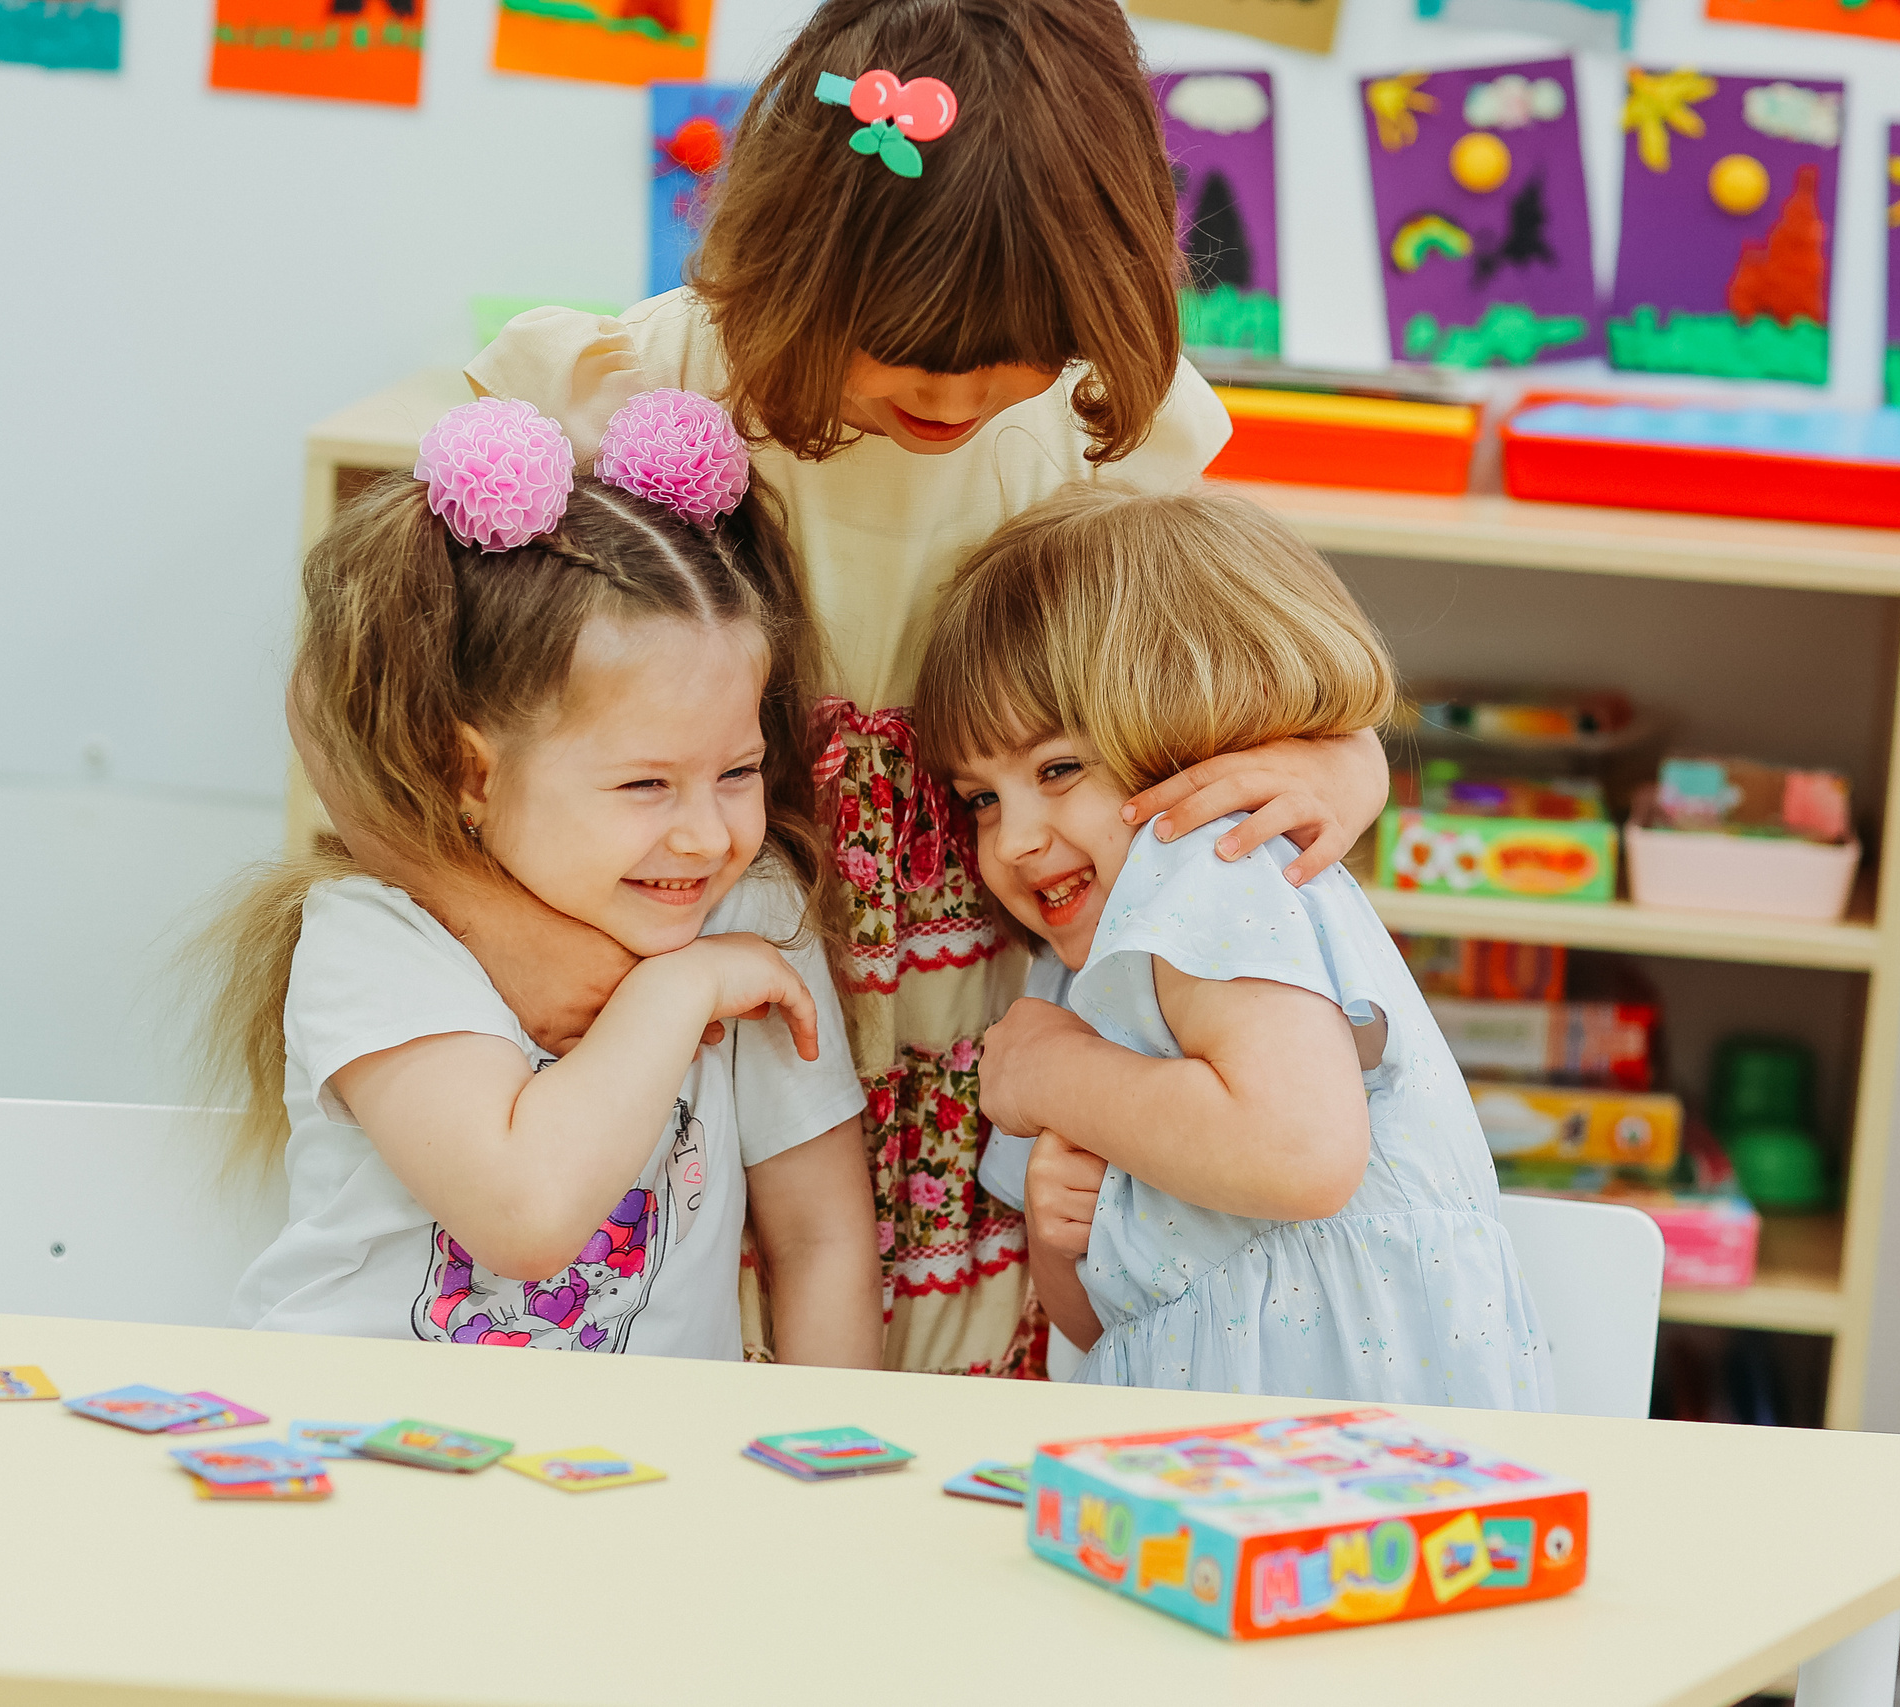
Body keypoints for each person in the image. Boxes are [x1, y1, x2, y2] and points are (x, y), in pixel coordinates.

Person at [298, 0, 1390, 1376]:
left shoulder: (1097, 439)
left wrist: (1350, 761)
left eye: (1017, 346)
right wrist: (512, 935)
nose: (958, 387)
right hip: (704, 1044)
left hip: (981, 1048)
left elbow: (1231, 688)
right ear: (804, 256)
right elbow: (369, 692)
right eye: (906, 340)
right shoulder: (653, 382)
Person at [209, 393, 881, 1366]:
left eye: (737, 772)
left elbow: (820, 1239)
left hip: (639, 1479)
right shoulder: (376, 937)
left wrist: (836, 1469)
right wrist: (680, 986)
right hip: (355, 1448)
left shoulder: (753, 911)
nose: (706, 835)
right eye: (646, 783)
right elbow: (523, 1216)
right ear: (472, 776)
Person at [916, 485, 1552, 1408]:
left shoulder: (1211, 872)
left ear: (1187, 734)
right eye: (983, 798)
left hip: (1356, 1455)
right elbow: (1100, 1328)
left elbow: (1299, 1153)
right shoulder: (1077, 972)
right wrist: (1061, 1240)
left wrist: (1051, 1077)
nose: (1012, 840)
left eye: (1058, 770)